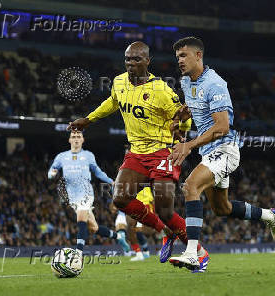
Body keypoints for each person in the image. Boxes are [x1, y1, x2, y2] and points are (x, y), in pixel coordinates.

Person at [67, 41, 209, 272]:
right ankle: (165, 231)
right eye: (128, 59)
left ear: (147, 62)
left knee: (165, 210)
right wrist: (89, 119)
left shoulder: (161, 90)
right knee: (120, 199)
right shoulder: (119, 82)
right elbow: (112, 102)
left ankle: (199, 253)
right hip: (137, 153)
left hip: (163, 151)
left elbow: (184, 122)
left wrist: (182, 122)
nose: (131, 64)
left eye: (136, 59)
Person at [168, 37, 275, 270]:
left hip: (225, 149)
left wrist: (189, 145)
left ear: (198, 55)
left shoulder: (215, 84)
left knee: (190, 187)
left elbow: (222, 127)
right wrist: (182, 116)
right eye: (177, 56)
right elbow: (196, 107)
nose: (179, 60)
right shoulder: (185, 81)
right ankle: (270, 216)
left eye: (184, 55)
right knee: (222, 209)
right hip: (208, 152)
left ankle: (192, 253)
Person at [48, 130, 130, 257]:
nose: (76, 139)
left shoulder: (88, 155)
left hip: (86, 193)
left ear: (82, 140)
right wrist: (52, 174)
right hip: (72, 197)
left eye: (78, 137)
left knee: (81, 219)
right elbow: (51, 171)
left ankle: (78, 255)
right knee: (93, 228)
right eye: (73, 136)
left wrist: (110, 181)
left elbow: (97, 172)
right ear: (69, 140)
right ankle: (118, 236)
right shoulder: (61, 157)